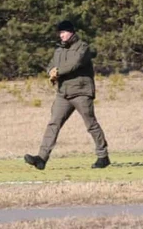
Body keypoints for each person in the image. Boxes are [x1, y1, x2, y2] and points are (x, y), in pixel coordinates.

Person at [24, 20, 109, 170]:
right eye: (59, 33)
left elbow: (74, 64)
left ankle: (103, 156)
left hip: (81, 92)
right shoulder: (59, 50)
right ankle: (41, 158)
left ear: (71, 32)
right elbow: (51, 65)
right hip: (63, 93)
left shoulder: (82, 47)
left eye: (63, 32)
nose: (61, 36)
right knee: (53, 124)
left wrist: (58, 71)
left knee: (91, 125)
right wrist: (50, 72)